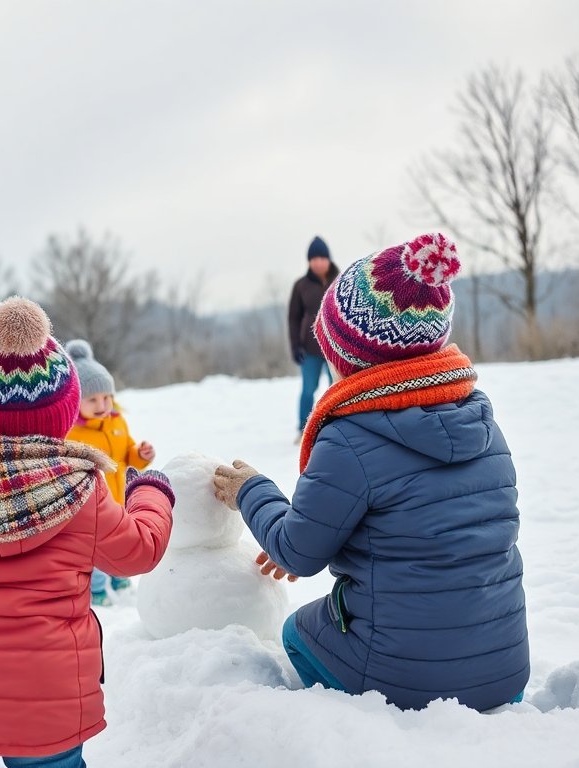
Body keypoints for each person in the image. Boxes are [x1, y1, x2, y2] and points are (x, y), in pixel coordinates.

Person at [212, 233, 529, 711]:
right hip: (504, 673)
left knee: (297, 632)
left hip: (407, 681)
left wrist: (252, 492)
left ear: (352, 358)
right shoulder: (484, 423)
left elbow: (298, 555)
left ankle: (366, 719)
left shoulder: (350, 438)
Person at [0, 297, 176, 766]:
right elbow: (139, 551)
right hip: (51, 703)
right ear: (62, 413)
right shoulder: (81, 491)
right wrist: (149, 491)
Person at [63, 339, 155, 606]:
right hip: (92, 505)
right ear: (75, 400)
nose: (102, 404)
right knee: (96, 550)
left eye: (107, 397)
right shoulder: (73, 433)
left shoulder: (117, 421)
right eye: (92, 399)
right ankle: (97, 590)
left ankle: (120, 579)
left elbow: (127, 453)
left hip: (119, 498)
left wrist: (140, 454)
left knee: (119, 544)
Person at [288, 236, 340, 441]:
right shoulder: (301, 286)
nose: (318, 262)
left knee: (336, 388)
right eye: (314, 258)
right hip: (309, 348)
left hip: (335, 347)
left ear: (328, 259)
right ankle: (303, 428)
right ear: (309, 261)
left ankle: (337, 425)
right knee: (308, 389)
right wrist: (295, 346)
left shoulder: (340, 280)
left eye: (322, 258)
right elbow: (293, 318)